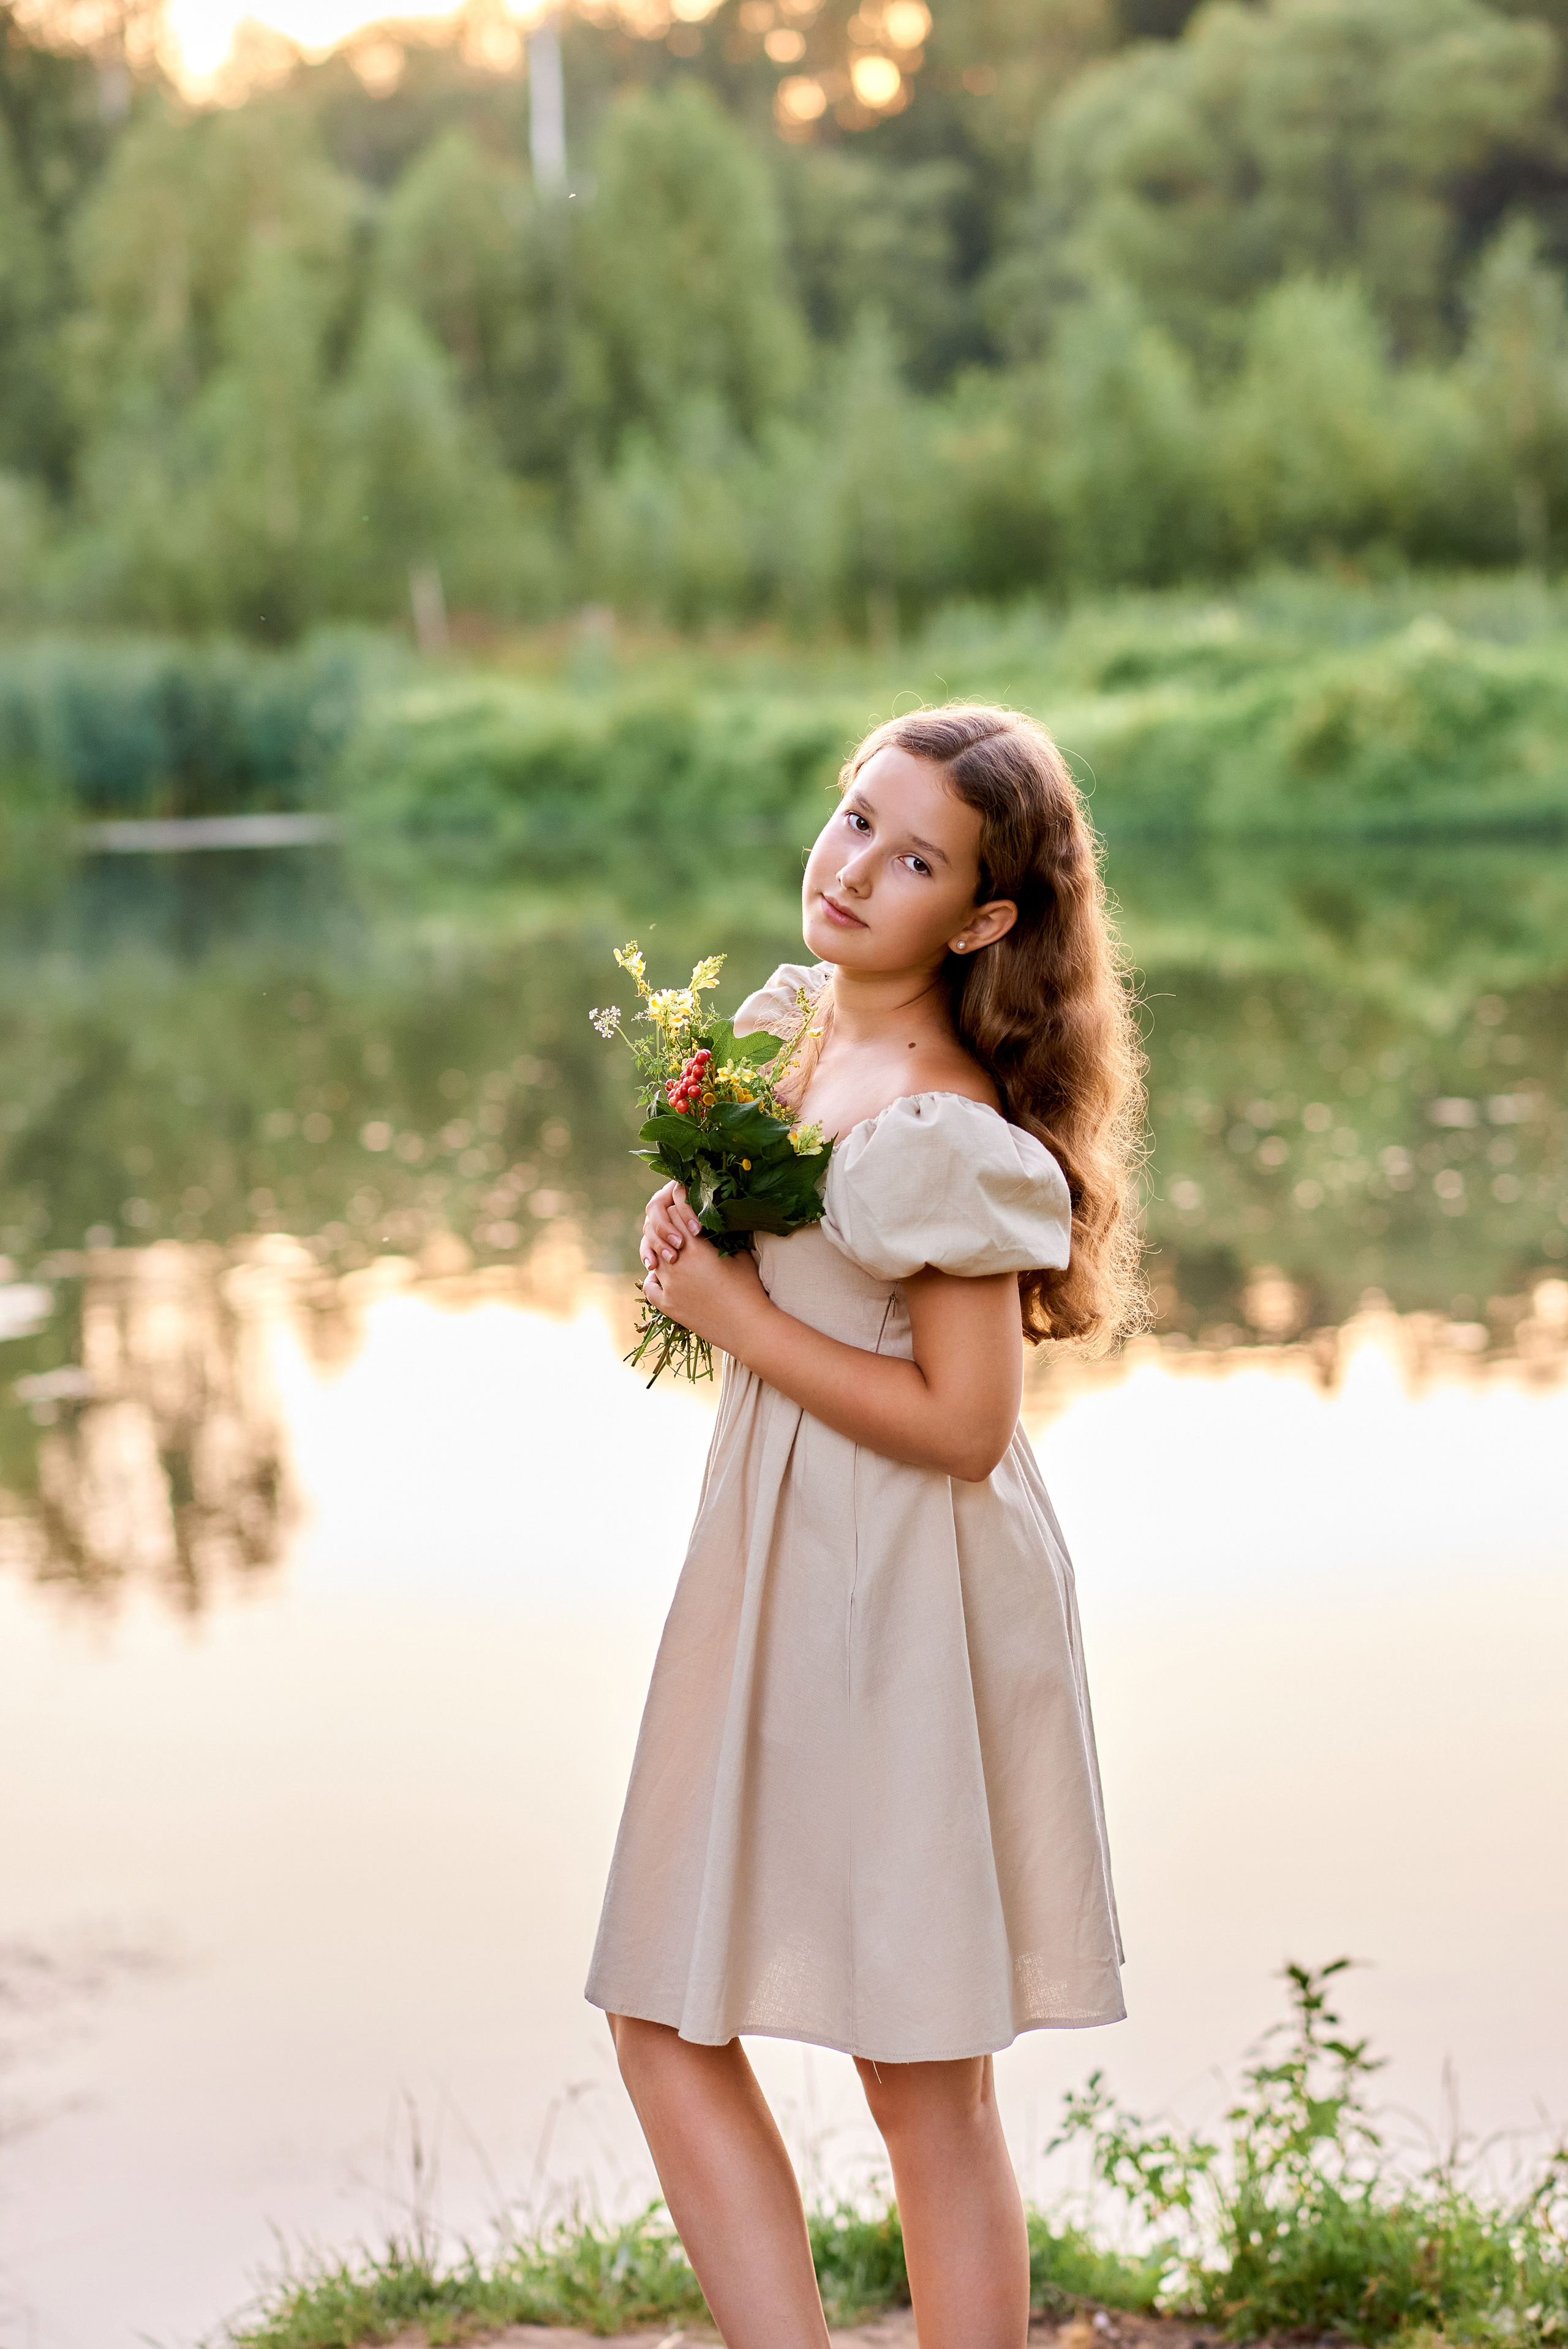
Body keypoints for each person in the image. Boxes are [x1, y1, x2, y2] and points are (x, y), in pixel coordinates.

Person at [586, 703, 1146, 2348]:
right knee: (661, 2005)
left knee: (919, 2067)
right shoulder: (788, 1037)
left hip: (907, 1588)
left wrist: (736, 1317)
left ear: (982, 919)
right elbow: (774, 1285)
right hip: (770, 1565)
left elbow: (970, 1429)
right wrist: (691, 1243)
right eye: (854, 820)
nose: (852, 869)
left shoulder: (938, 1128)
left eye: (915, 860)